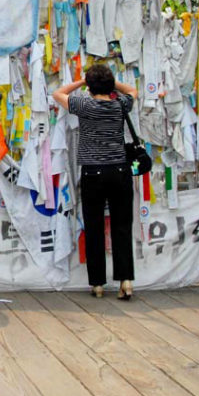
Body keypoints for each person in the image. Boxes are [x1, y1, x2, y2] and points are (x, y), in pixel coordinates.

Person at [52, 63, 137, 300]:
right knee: (122, 226)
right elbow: (132, 91)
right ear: (109, 85)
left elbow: (59, 94)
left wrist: (81, 81)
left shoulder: (85, 105)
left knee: (94, 227)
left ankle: (98, 284)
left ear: (90, 87)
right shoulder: (120, 104)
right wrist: (113, 82)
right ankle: (126, 280)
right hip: (120, 171)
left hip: (93, 173)